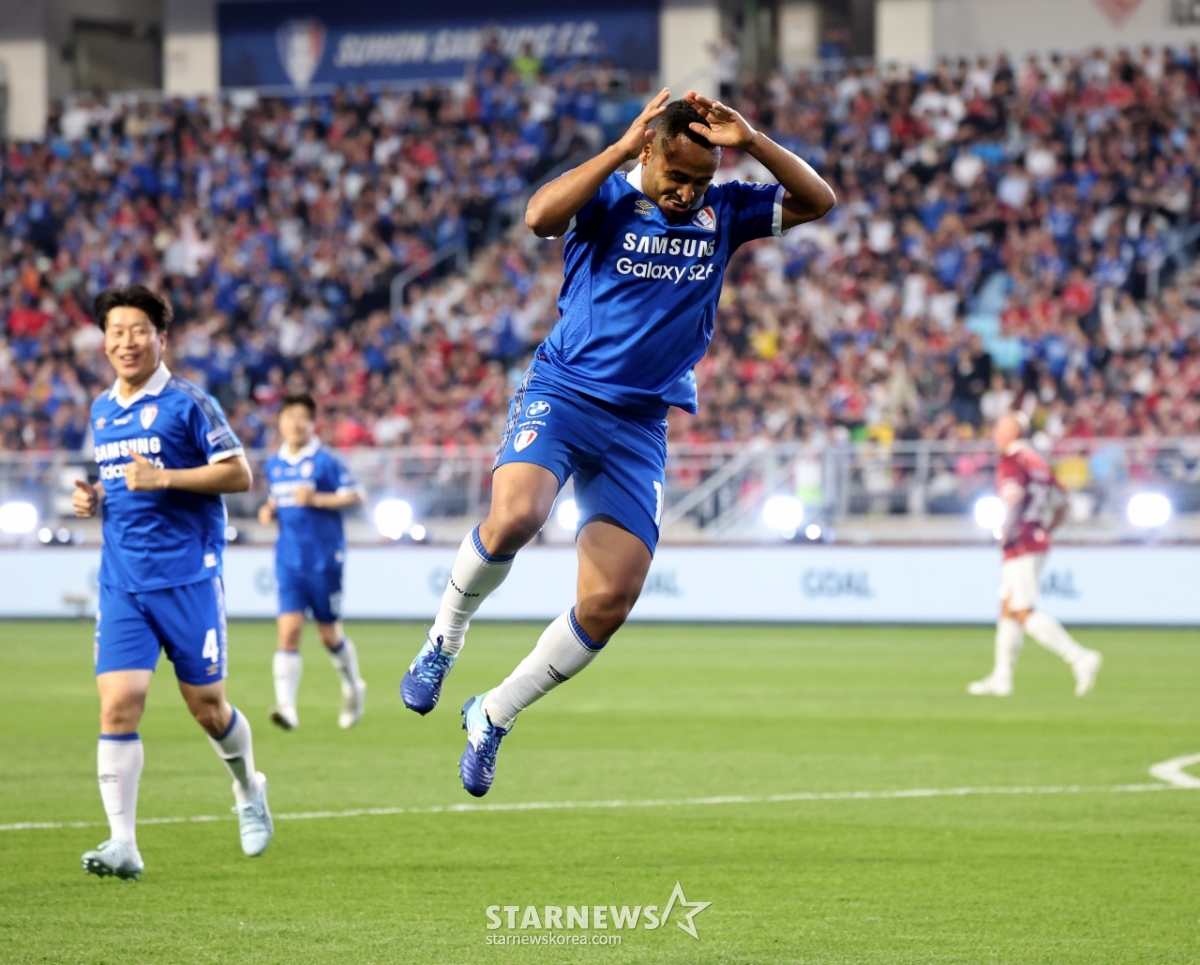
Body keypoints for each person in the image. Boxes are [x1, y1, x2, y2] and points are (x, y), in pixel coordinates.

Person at [399, 89, 836, 796]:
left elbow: (819, 201)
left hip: (639, 424)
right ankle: (443, 641)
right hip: (565, 392)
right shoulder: (604, 195)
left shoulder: (725, 212)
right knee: (516, 516)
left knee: (609, 601)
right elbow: (538, 217)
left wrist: (753, 141)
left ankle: (493, 713)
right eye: (677, 177)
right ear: (650, 151)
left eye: (701, 180)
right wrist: (617, 150)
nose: (688, 193)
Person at [74, 285, 272, 880]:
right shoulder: (101, 409)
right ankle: (123, 843)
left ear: (161, 338)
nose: (126, 342)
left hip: (188, 578)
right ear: (104, 342)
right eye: (116, 332)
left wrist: (163, 480)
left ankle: (248, 788)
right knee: (118, 705)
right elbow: (122, 479)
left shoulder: (189, 402)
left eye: (138, 330)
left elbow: (238, 474)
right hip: (123, 583)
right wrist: (96, 495)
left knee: (207, 710)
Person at [968, 413, 1102, 697]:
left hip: (1021, 542)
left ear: (1013, 433)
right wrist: (1046, 531)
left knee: (1023, 611)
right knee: (1008, 607)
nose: (994, 433)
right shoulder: (1038, 462)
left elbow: (1013, 498)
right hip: (1035, 539)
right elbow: (1064, 503)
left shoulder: (1012, 460)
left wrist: (1005, 533)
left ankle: (1080, 657)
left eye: (999, 428)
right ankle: (1002, 677)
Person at [258, 393, 366, 730]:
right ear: (280, 422)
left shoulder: (326, 461)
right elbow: (277, 502)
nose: (295, 423)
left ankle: (353, 688)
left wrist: (317, 498)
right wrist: (268, 512)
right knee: (289, 632)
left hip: (324, 560)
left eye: (301, 417)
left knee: (329, 636)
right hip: (288, 560)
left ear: (312, 423)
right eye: (289, 416)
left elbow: (357, 496)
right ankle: (286, 707)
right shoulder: (274, 464)